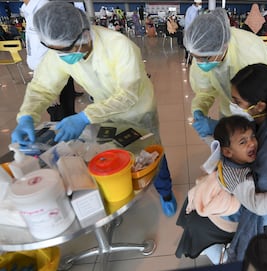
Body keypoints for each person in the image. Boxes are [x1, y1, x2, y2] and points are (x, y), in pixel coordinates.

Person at [10, 2, 177, 217]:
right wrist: (27, 117)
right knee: (110, 152)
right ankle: (121, 187)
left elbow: (128, 94)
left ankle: (165, 192)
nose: (63, 56)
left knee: (151, 151)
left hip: (138, 110)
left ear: (84, 34)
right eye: (56, 50)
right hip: (101, 112)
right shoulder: (60, 51)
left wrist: (84, 117)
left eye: (68, 50)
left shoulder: (119, 46)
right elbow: (42, 87)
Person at [177, 64, 267, 263]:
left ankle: (221, 257)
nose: (233, 105)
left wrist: (222, 202)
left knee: (199, 216)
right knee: (196, 197)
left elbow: (261, 210)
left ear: (260, 106)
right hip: (256, 190)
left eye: (237, 101)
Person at [184, 8, 267, 139]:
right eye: (195, 57)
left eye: (205, 58)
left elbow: (261, 106)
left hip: (258, 115)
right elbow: (205, 91)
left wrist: (227, 128)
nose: (200, 63)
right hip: (229, 109)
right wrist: (199, 109)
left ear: (223, 46)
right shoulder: (204, 50)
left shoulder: (250, 56)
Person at [20, 0, 82, 122]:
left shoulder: (44, 7)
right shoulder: (28, 9)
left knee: (61, 114)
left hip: (54, 73)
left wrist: (53, 84)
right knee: (59, 113)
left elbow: (58, 44)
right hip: (45, 72)